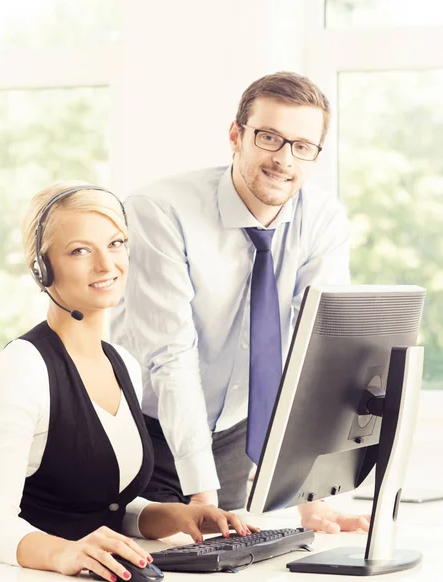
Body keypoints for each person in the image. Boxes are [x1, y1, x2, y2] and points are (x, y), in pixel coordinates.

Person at [110, 72, 370, 533]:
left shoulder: (322, 220)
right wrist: (202, 495)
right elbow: (170, 355)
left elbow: (319, 355)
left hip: (232, 436)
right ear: (237, 135)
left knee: (218, 574)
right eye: (269, 137)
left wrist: (309, 495)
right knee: (141, 570)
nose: (283, 159)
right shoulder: (160, 209)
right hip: (144, 433)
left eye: (302, 146)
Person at [0, 182, 258, 582]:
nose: (106, 265)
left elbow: (101, 506)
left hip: (94, 580)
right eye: (80, 250)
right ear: (41, 268)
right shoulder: (23, 367)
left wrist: (169, 514)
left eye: (116, 243)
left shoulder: (122, 363)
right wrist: (66, 552)